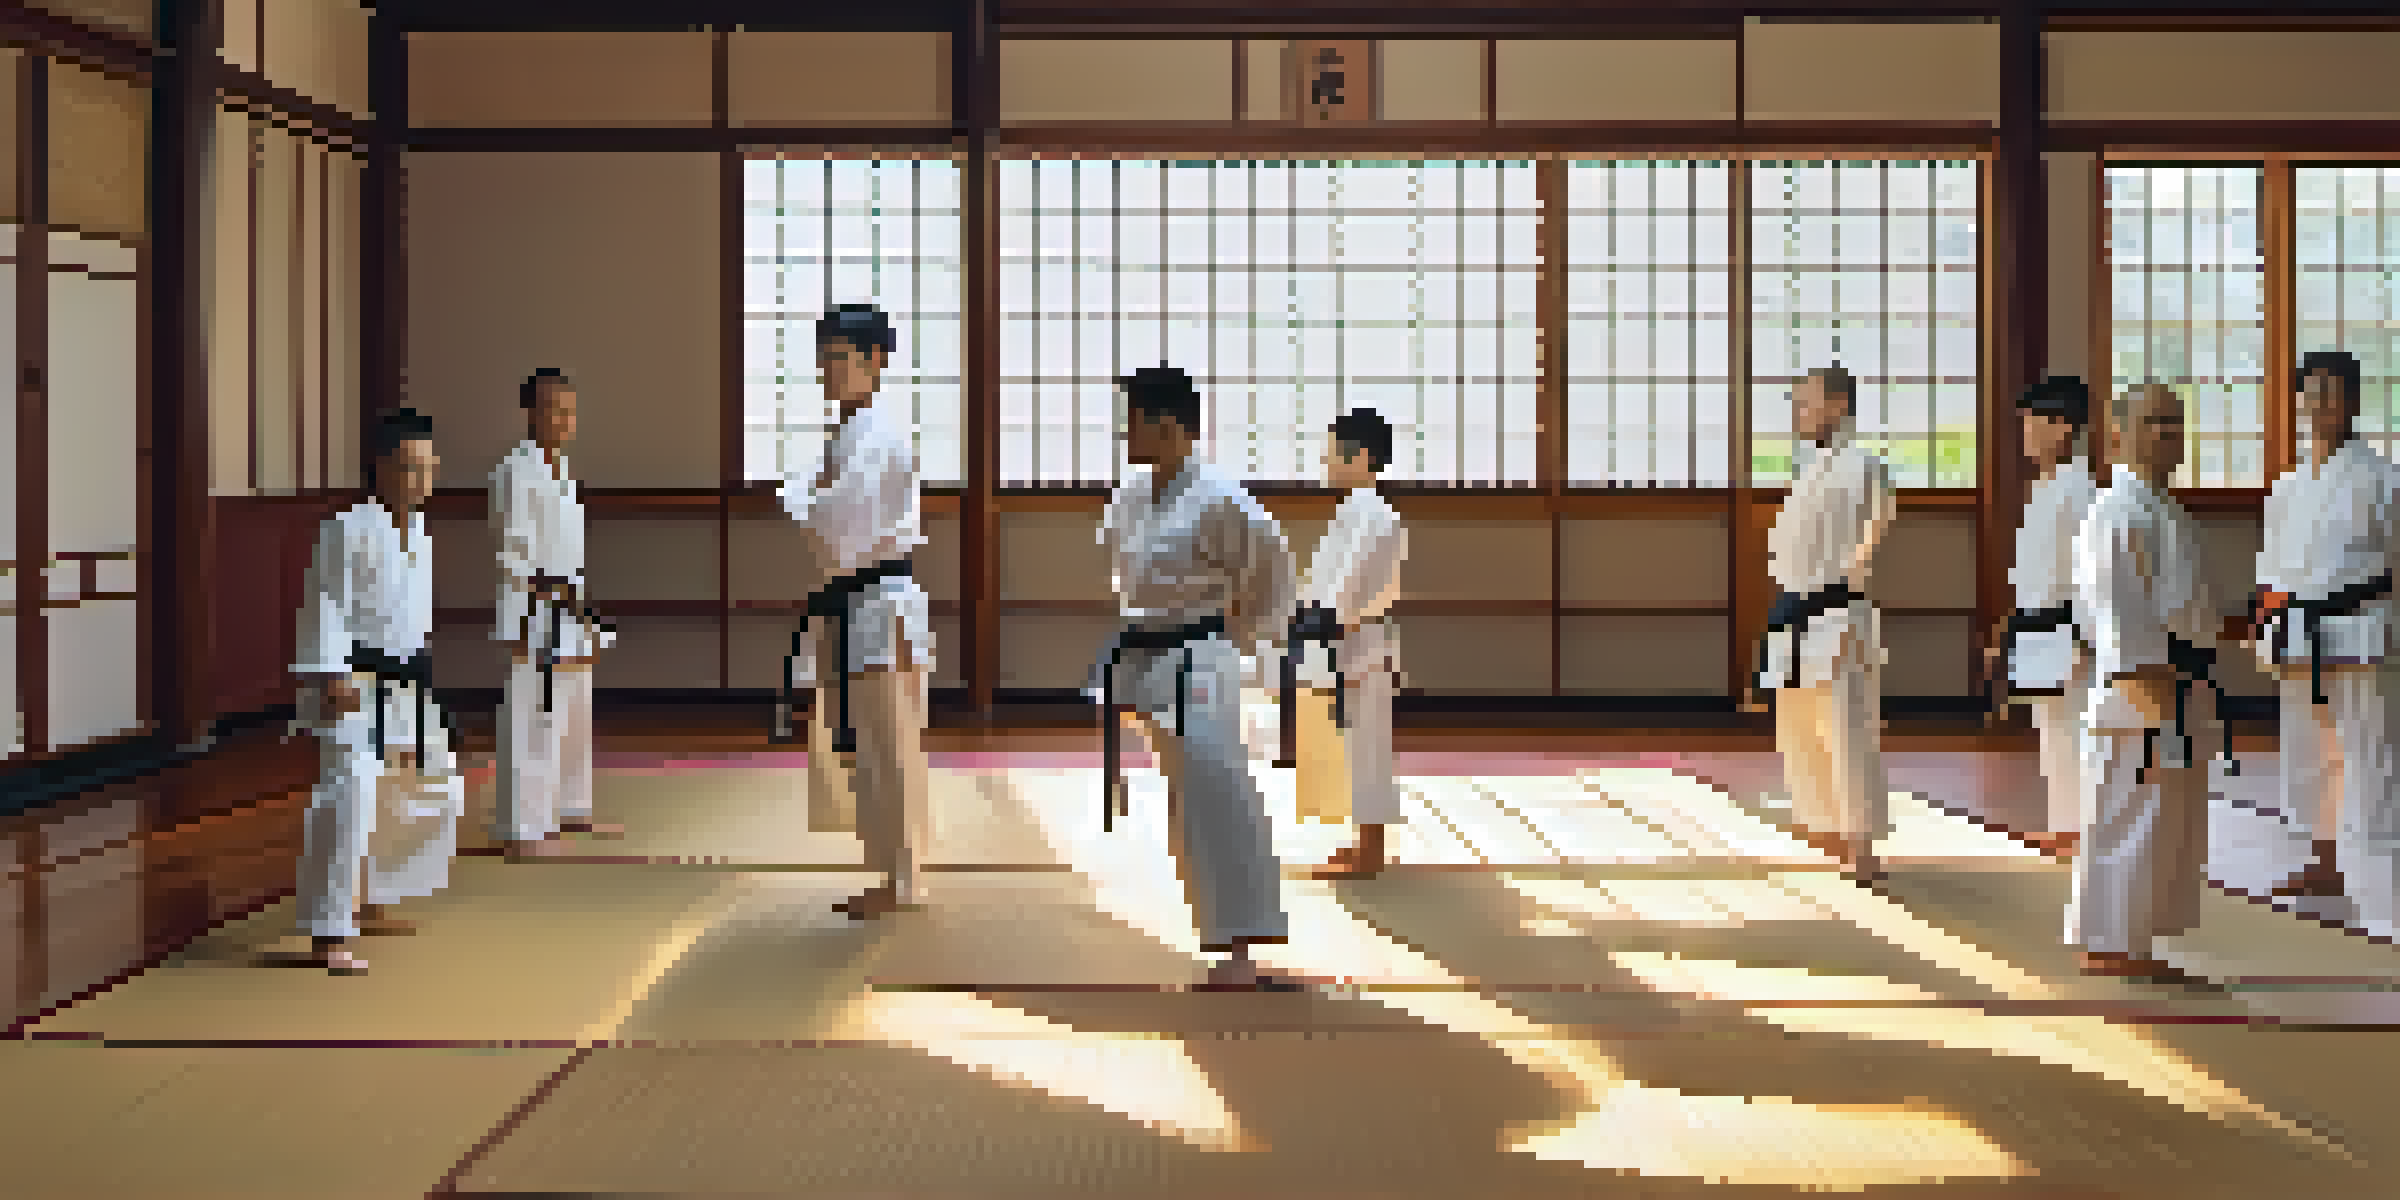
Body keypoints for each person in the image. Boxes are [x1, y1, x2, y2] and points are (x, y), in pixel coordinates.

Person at [1091, 364, 1298, 989]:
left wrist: (1234, 636)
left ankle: (1243, 942)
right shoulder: (1132, 493)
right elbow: (1118, 568)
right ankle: (1218, 934)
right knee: (1185, 796)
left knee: (1219, 786)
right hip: (1147, 653)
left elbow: (1271, 578)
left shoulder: (1222, 499)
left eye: (1135, 421)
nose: (1127, 433)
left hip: (1200, 654)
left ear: (1170, 425)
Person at [2069, 382, 2236, 981]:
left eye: (2175, 423)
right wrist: (2151, 697)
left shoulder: (2164, 509)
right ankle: (2110, 945)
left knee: (2161, 820)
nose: (2168, 434)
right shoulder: (2117, 511)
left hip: (2175, 682)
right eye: (2154, 422)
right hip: (2142, 686)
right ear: (2118, 433)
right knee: (2128, 816)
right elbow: (2119, 616)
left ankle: (2132, 944)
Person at [286, 408, 460, 975]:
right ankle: (328, 928)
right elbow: (326, 603)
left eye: (429, 468)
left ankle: (377, 897)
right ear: (381, 468)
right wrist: (330, 675)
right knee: (351, 790)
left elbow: (414, 620)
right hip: (354, 681)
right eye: (411, 468)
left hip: (405, 682)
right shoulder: (346, 528)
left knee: (422, 787)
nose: (423, 479)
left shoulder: (420, 534)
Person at [782, 304, 934, 921]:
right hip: (860, 603)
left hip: (880, 605)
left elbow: (837, 530)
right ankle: (893, 875)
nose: (825, 370)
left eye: (837, 358)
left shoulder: (876, 437)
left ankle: (905, 881)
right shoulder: (848, 433)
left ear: (874, 362)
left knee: (891, 748)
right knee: (870, 749)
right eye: (821, 358)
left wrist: (797, 493)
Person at [2251, 351, 2400, 940]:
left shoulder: (2384, 478)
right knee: (2308, 751)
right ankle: (2323, 859)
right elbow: (2270, 570)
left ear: (2354, 403)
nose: (2318, 405)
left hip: (2362, 627)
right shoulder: (2287, 486)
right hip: (2298, 631)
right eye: (2309, 394)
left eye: (2331, 394)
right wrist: (2265, 628)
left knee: (2371, 754)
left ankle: (2379, 875)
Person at [1756, 365, 1898, 882]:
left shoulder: (1866, 468)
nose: (1798, 413)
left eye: (1806, 403)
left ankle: (1862, 841)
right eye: (1795, 404)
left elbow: (1872, 539)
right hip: (1797, 609)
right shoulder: (1809, 469)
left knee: (1846, 727)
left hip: (1839, 611)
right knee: (1798, 727)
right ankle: (1824, 826)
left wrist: (1839, 579)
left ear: (1837, 406)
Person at [491, 369, 622, 862]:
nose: (563, 419)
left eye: (569, 409)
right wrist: (542, 602)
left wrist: (578, 607)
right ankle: (523, 828)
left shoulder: (561, 469)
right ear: (530, 412)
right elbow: (512, 551)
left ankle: (569, 808)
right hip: (534, 605)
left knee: (572, 709)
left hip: (569, 604)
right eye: (552, 409)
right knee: (533, 716)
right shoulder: (514, 471)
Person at [1287, 408, 1409, 879]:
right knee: (1349, 744)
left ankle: (1370, 854)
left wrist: (1320, 619)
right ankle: (1361, 842)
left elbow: (1351, 584)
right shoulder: (1356, 511)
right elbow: (1331, 580)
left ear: (1360, 456)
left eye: (1333, 452)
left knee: (1367, 745)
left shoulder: (1372, 514)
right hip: (1344, 634)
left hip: (1355, 635)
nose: (1326, 461)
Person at [1988, 376, 2101, 859]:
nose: (2026, 436)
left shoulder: (2081, 490)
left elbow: (2088, 569)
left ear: (2062, 427)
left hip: (2069, 622)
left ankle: (2088, 830)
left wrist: (2085, 632)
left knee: (2076, 726)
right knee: (2051, 725)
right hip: (2037, 620)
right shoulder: (2047, 487)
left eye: (2032, 425)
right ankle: (2066, 826)